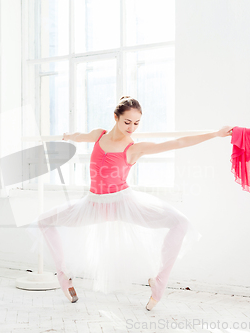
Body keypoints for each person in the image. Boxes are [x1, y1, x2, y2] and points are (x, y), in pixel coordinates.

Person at [31, 96, 233, 311]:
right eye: (127, 122)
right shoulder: (99, 135)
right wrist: (67, 136)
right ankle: (63, 275)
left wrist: (216, 134)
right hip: (92, 204)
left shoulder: (134, 148)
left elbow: (177, 143)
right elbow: (80, 137)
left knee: (180, 222)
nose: (132, 128)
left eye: (136, 123)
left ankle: (160, 283)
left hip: (122, 202)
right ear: (116, 117)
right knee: (44, 221)